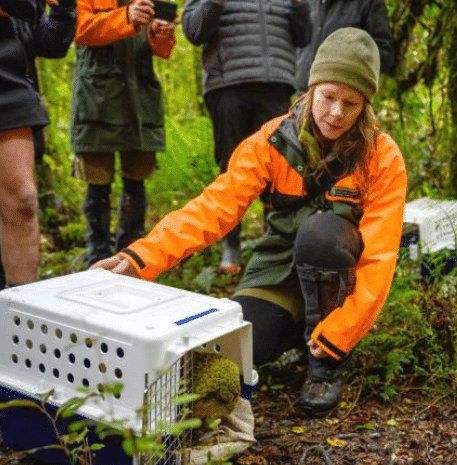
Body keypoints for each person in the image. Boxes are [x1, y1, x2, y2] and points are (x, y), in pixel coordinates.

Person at [92, 28, 408, 417]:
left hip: (336, 278)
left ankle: (325, 363)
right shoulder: (272, 140)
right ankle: (297, 333)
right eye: (328, 97)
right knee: (231, 351)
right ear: (310, 90)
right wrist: (141, 258)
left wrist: (340, 333)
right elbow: (214, 206)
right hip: (277, 269)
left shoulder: (382, 156)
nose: (337, 113)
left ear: (366, 106)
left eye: (352, 103)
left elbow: (380, 256)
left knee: (321, 233)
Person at [182, 0, 312, 275]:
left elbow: (304, 37)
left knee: (279, 166)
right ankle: (231, 244)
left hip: (276, 82)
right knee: (232, 166)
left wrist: (300, 6)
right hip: (228, 84)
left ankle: (275, 242)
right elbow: (193, 31)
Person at [70, 0, 177, 267]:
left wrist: (160, 34)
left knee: (136, 181)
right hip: (97, 98)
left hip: (140, 99)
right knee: (97, 185)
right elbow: (79, 29)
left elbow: (163, 50)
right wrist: (125, 17)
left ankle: (129, 257)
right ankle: (97, 258)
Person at [0, 0, 76, 288]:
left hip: (9, 73)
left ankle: (16, 318)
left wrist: (65, 9)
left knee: (22, 201)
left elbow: (49, 43)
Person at [295, 0, 396, 93]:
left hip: (344, 97)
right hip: (302, 95)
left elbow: (384, 52)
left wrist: (348, 75)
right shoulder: (309, 2)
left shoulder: (367, 3)